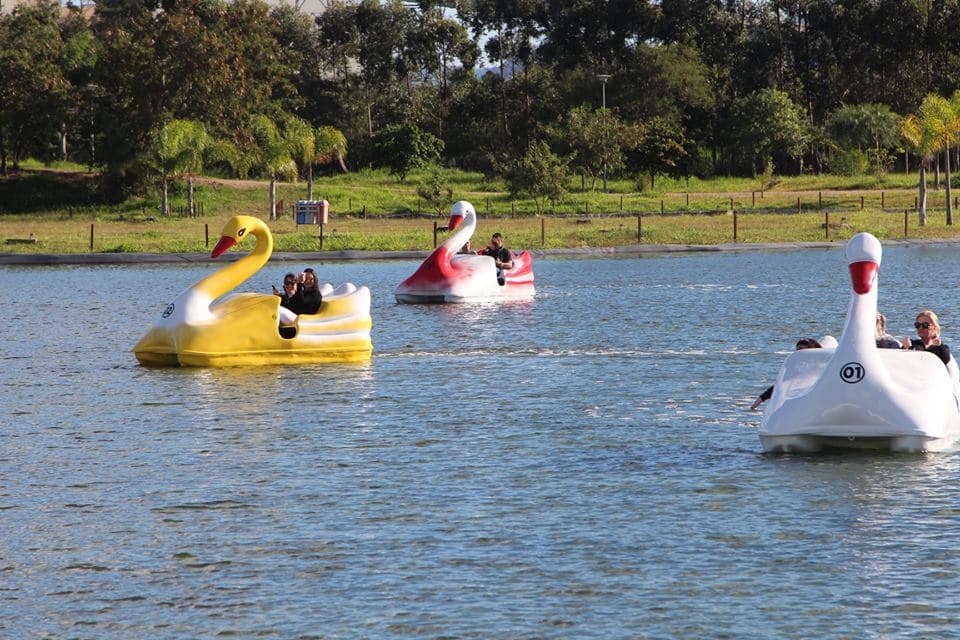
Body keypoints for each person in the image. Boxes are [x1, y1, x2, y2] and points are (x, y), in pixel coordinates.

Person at [751, 338, 822, 410]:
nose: (798, 353)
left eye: (801, 349)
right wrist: (761, 399)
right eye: (797, 350)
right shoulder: (797, 365)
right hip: (797, 397)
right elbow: (783, 383)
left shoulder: (819, 364)